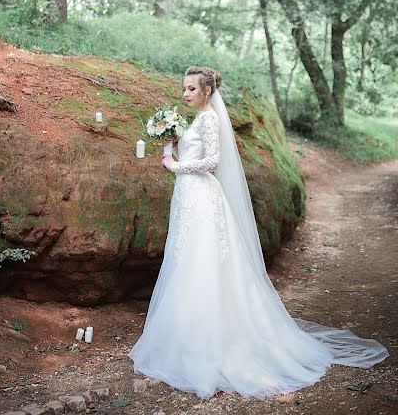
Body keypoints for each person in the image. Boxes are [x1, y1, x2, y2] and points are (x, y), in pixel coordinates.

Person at [128, 65, 389, 399]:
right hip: (188, 197)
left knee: (203, 261)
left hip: (203, 199)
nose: (185, 94)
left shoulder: (209, 119)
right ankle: (188, 336)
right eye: (183, 89)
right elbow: (187, 157)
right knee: (186, 260)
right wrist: (169, 144)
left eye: (191, 89)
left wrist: (175, 165)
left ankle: (213, 342)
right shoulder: (195, 120)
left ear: (207, 91)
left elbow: (212, 162)